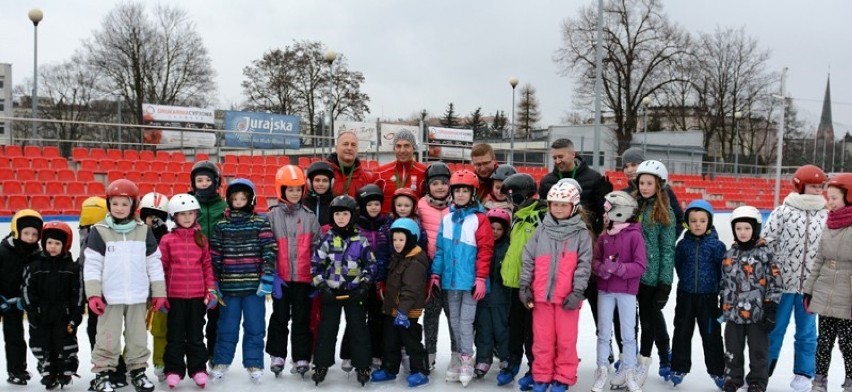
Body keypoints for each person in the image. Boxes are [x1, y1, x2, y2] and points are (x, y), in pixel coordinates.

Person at [84, 179, 166, 392]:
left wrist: (159, 293)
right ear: (109, 204)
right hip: (109, 297)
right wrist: (93, 295)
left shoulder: (143, 231)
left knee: (137, 337)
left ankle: (138, 372)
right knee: (106, 338)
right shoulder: (99, 231)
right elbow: (92, 266)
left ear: (133, 205)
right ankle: (102, 374)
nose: (119, 208)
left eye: (124, 203)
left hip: (138, 296)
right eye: (115, 203)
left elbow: (154, 264)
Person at [519, 180, 592, 392]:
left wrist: (577, 291)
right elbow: (529, 258)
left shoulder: (581, 234)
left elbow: (584, 265)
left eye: (563, 204)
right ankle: (541, 376)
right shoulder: (541, 231)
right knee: (542, 341)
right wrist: (525, 286)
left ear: (574, 207)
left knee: (566, 342)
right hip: (541, 298)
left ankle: (563, 377)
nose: (558, 208)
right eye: (554, 204)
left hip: (567, 299)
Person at [761, 164, 828, 392]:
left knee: (808, 333)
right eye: (813, 186)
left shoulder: (827, 215)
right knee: (774, 329)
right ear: (800, 186)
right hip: (782, 285)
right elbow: (767, 243)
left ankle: (803, 374)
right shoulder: (783, 211)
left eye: (821, 187)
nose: (818, 191)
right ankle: (763, 371)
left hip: (811, 287)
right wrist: (768, 275)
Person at [208, 179, 277, 385]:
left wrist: (267, 276)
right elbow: (215, 255)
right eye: (235, 198)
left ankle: (254, 362)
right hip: (229, 288)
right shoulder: (222, 225)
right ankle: (221, 361)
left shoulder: (259, 222)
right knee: (227, 326)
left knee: (255, 326)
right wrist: (215, 283)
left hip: (254, 288)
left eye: (243, 198)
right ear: (229, 200)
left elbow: (269, 249)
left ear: (250, 200)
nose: (239, 201)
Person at [429, 169, 494, 387]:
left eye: (465, 191)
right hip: (450, 280)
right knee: (454, 321)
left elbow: (485, 251)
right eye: (457, 191)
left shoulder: (480, 219)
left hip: (470, 282)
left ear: (472, 193)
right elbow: (440, 249)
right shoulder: (447, 219)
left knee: (466, 322)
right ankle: (458, 357)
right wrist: (436, 273)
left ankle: (467, 357)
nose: (460, 195)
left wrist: (481, 278)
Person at [311, 195, 377, 387]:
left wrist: (364, 284)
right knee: (327, 330)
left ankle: (362, 365)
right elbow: (315, 265)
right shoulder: (327, 240)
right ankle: (321, 364)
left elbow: (371, 265)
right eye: (337, 214)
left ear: (353, 216)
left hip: (354, 293)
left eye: (345, 214)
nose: (340, 218)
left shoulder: (361, 240)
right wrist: (322, 286)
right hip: (331, 293)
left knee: (358, 330)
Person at [265, 165, 321, 377]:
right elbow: (267, 247)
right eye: (290, 189)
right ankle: (276, 354)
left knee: (302, 318)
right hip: (282, 278)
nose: (295, 193)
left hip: (304, 278)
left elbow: (317, 248)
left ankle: (301, 356)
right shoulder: (272, 216)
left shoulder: (309, 217)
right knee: (279, 317)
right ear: (281, 190)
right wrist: (272, 275)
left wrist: (315, 276)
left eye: (298, 189)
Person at [720, 206, 783, 392]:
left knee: (759, 351)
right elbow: (724, 282)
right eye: (738, 228)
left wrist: (771, 308)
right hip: (733, 314)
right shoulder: (729, 255)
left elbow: (775, 282)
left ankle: (757, 381)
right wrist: (721, 302)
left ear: (755, 229)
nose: (743, 232)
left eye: (747, 228)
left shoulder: (765, 254)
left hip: (758, 314)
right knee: (732, 349)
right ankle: (732, 379)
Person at [158, 194, 217, 389]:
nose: (187, 218)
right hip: (174, 297)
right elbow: (162, 268)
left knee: (195, 335)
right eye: (182, 214)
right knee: (174, 335)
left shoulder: (201, 239)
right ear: (174, 217)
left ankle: (198, 369)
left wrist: (211, 290)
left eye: (190, 213)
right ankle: (174, 369)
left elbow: (207, 266)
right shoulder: (167, 240)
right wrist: (161, 294)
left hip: (197, 297)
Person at [590, 191, 646, 392]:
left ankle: (630, 372)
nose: (605, 215)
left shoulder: (635, 236)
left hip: (626, 292)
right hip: (605, 291)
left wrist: (620, 268)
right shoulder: (604, 235)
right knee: (604, 332)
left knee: (628, 334)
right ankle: (602, 370)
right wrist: (602, 269)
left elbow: (640, 266)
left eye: (608, 210)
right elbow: (595, 261)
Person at [668, 200, 727, 388]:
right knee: (682, 332)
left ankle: (718, 371)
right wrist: (686, 281)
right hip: (685, 295)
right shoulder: (683, 245)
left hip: (709, 298)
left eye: (702, 220)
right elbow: (679, 265)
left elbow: (722, 272)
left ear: (709, 222)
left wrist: (719, 294)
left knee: (712, 335)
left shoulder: (717, 246)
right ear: (687, 223)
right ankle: (678, 367)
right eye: (693, 221)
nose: (698, 224)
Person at [803, 173, 852, 392]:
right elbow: (818, 260)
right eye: (828, 197)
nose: (829, 201)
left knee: (848, 345)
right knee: (823, 343)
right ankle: (819, 381)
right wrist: (809, 291)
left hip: (847, 295)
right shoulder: (829, 223)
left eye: (834, 197)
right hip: (825, 292)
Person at [498, 173, 547, 389]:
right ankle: (513, 360)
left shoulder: (540, 216)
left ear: (519, 196)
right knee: (514, 327)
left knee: (531, 330)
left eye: (511, 198)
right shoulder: (517, 215)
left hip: (532, 286)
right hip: (515, 282)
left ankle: (535, 367)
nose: (509, 203)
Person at [370, 218, 431, 387]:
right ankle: (389, 368)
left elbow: (410, 291)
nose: (397, 243)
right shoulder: (399, 256)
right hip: (393, 310)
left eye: (401, 240)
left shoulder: (416, 261)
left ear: (411, 239)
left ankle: (420, 370)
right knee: (390, 341)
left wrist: (403, 312)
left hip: (407, 312)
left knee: (411, 341)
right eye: (394, 239)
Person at [21, 221, 83, 389]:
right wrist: (31, 312)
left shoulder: (73, 268)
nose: (52, 247)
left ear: (65, 245)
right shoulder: (34, 267)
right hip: (41, 315)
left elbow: (78, 293)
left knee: (63, 342)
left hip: (64, 315)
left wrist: (75, 315)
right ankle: (47, 371)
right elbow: (27, 290)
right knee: (42, 343)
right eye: (49, 242)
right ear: (43, 243)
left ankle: (65, 369)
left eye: (57, 243)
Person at [632, 160, 676, 386]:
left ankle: (644, 361)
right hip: (629, 274)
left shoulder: (665, 212)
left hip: (650, 275)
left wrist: (665, 283)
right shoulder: (632, 206)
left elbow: (668, 249)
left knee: (649, 321)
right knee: (630, 321)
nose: (645, 187)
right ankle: (629, 359)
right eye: (642, 182)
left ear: (659, 185)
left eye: (650, 183)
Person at [79, 197, 129, 389]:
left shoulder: (98, 232)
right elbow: (86, 263)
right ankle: (111, 369)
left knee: (103, 333)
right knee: (100, 332)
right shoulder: (89, 232)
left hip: (106, 293)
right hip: (98, 293)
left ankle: (113, 371)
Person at [188, 161, 227, 364]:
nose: (204, 184)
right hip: (194, 270)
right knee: (195, 318)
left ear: (216, 182)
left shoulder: (224, 206)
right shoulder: (188, 205)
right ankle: (196, 357)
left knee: (216, 317)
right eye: (199, 180)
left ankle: (213, 353)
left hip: (219, 270)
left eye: (208, 180)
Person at [416, 162, 454, 370]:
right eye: (435, 183)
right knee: (431, 315)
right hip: (431, 271)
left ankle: (458, 355)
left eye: (444, 183)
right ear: (428, 185)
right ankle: (429, 353)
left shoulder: (457, 205)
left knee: (454, 316)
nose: (440, 187)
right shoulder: (420, 205)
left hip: (453, 271)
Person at [0, 209, 43, 386]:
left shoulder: (38, 255)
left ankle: (17, 370)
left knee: (16, 337)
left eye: (34, 234)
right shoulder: (3, 251)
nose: (30, 238)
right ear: (17, 231)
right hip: (2, 299)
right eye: (26, 233)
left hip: (18, 304)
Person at [474, 208, 513, 380]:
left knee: (502, 329)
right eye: (492, 228)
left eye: (499, 229)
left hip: (502, 298)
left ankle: (505, 357)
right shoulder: (481, 246)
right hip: (482, 297)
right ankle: (483, 358)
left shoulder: (507, 247)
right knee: (483, 329)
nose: (495, 232)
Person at [137, 192, 170, 382]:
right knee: (136, 329)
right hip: (139, 291)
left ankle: (160, 362)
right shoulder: (135, 234)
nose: (153, 221)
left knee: (160, 329)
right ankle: (131, 362)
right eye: (150, 216)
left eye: (157, 217)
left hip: (159, 291)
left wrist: (160, 235)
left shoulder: (166, 237)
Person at [619, 147, 683, 236]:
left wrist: (669, 241)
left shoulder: (663, 190)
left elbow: (678, 219)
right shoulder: (623, 194)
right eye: (626, 167)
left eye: (633, 165)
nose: (629, 170)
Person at [376, 129, 427, 213]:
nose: (402, 150)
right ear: (394, 148)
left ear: (413, 148)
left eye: (406, 146)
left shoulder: (424, 172)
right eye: (398, 146)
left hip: (412, 224)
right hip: (386, 224)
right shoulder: (380, 172)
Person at [326, 131, 379, 198]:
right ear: (336, 148)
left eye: (353, 145)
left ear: (357, 149)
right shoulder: (324, 174)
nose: (349, 148)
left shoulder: (367, 179)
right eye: (345, 144)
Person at [303, 161, 336, 227]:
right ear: (309, 182)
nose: (321, 184)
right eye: (317, 180)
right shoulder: (302, 204)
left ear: (331, 183)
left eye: (325, 180)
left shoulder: (336, 204)